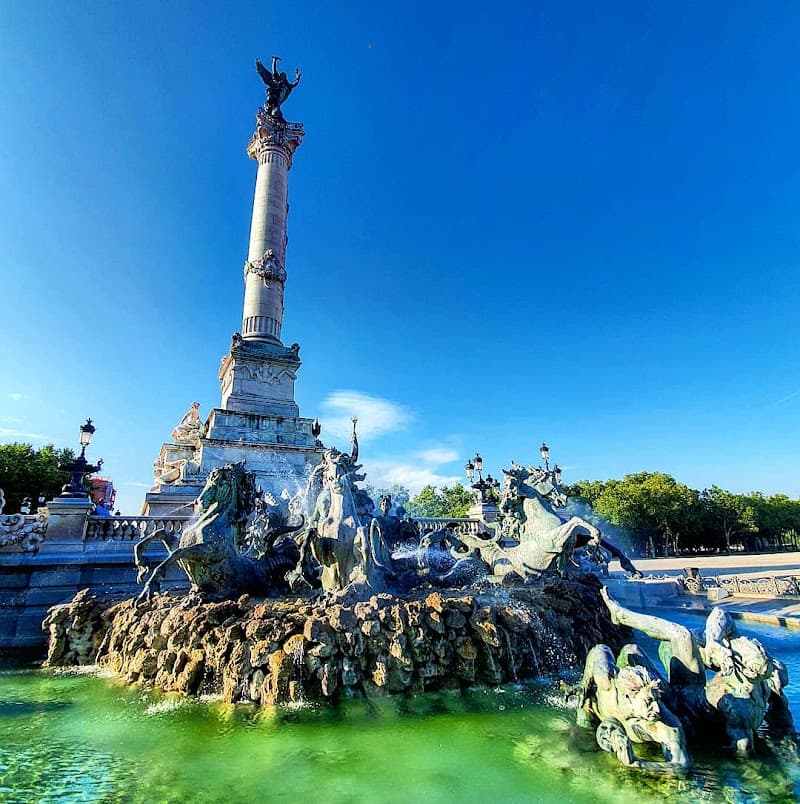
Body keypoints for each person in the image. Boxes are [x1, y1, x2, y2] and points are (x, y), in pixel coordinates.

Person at [600, 587, 794, 755]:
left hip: (679, 706)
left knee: (641, 648)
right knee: (683, 636)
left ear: (748, 670)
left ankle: (621, 617)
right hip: (692, 685)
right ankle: (620, 615)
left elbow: (743, 749)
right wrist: (715, 642)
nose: (735, 645)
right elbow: (720, 614)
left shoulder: (739, 707)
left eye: (737, 651)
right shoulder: (757, 668)